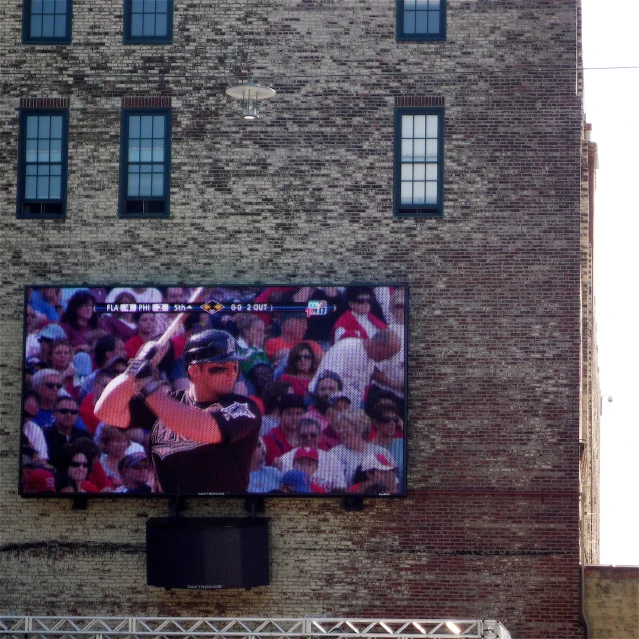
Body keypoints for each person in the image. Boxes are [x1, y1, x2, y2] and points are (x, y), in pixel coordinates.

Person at [95, 328, 262, 494]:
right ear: (194, 370)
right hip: (168, 514)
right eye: (221, 368)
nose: (231, 373)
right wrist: (132, 371)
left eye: (235, 366)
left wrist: (147, 387)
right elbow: (106, 411)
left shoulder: (243, 407)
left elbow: (200, 428)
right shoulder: (166, 403)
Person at [43, 396, 92, 472]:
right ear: (54, 413)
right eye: (64, 411)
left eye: (73, 412)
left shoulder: (85, 436)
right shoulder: (45, 435)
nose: (69, 415)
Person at [262, 394, 306, 465]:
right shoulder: (270, 439)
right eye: (289, 414)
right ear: (280, 415)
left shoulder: (310, 434)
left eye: (298, 414)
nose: (294, 418)